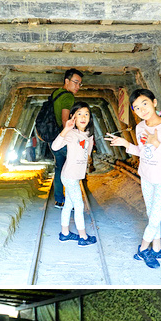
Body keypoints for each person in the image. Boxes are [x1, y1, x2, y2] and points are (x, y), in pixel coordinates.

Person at [107, 88, 161, 268]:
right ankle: (157, 249)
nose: (142, 110)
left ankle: (142, 249)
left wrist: (157, 143)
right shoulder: (140, 127)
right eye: (137, 108)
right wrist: (126, 144)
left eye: (144, 104)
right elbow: (142, 151)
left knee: (155, 218)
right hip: (145, 176)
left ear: (154, 103)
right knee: (151, 215)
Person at [51, 102, 96, 247]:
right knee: (79, 205)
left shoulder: (88, 135)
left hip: (76, 176)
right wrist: (66, 129)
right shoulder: (71, 133)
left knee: (69, 204)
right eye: (79, 114)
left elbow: (86, 155)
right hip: (69, 176)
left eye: (86, 114)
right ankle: (83, 236)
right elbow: (55, 146)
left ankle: (65, 233)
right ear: (73, 117)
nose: (83, 117)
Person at [51, 69, 83, 209]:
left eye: (80, 84)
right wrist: (71, 137)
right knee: (70, 169)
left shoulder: (56, 93)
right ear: (67, 81)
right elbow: (65, 119)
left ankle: (59, 200)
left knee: (59, 168)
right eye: (75, 82)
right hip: (63, 136)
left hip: (53, 136)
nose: (77, 86)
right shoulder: (68, 97)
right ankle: (72, 201)